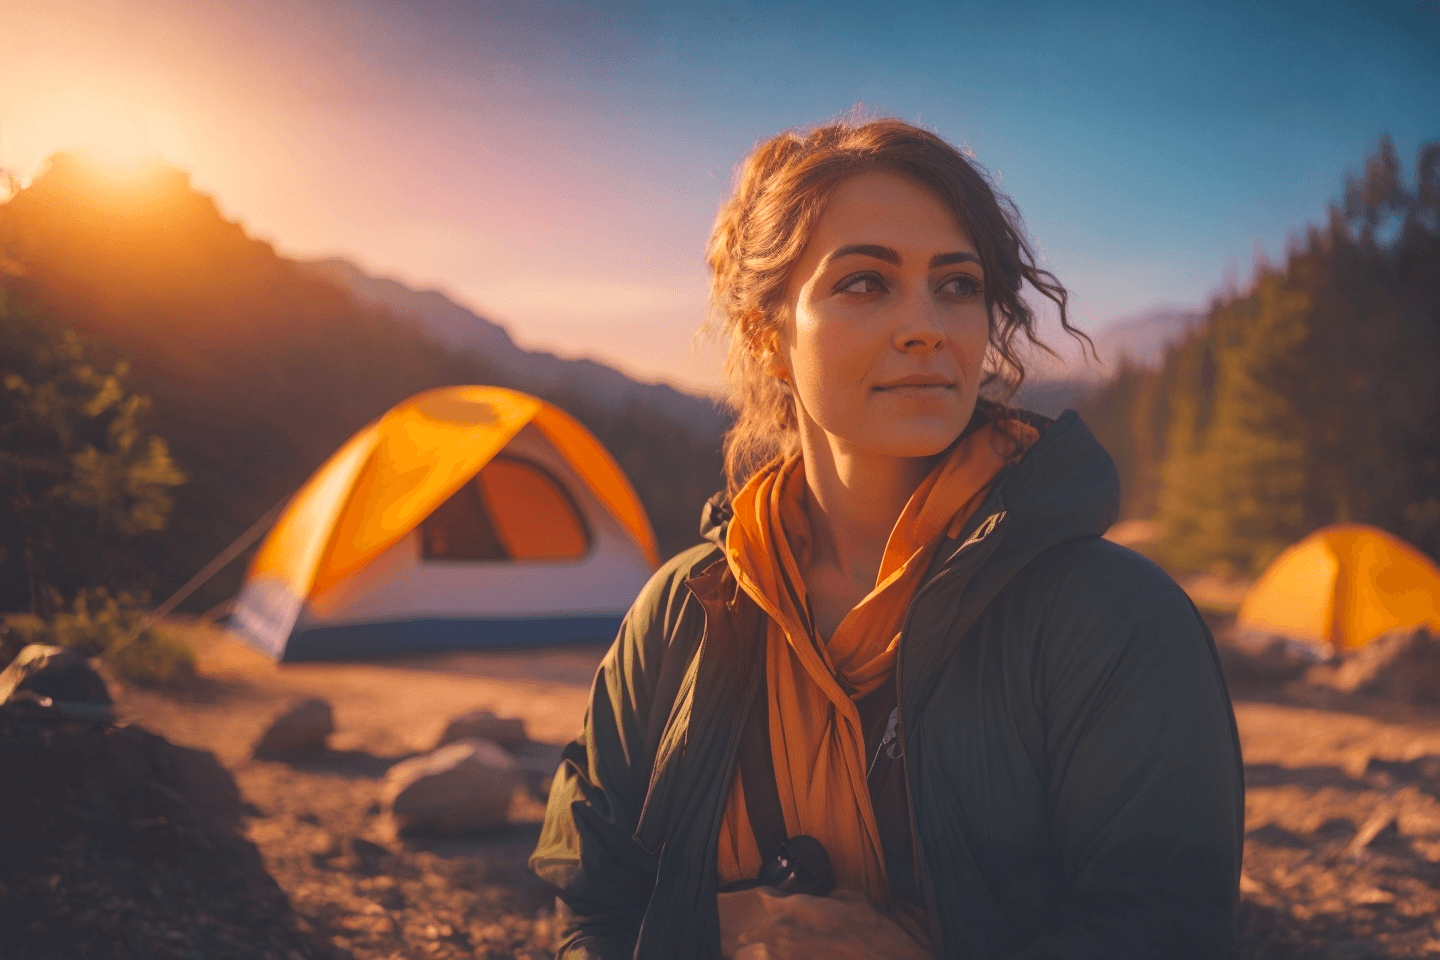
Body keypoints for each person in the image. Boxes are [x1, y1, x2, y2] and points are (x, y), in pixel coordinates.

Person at [530, 116, 1244, 960]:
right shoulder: (681, 611)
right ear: (769, 338)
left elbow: (1165, 932)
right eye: (866, 284)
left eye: (957, 286)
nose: (927, 326)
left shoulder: (1115, 620)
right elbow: (592, 904)